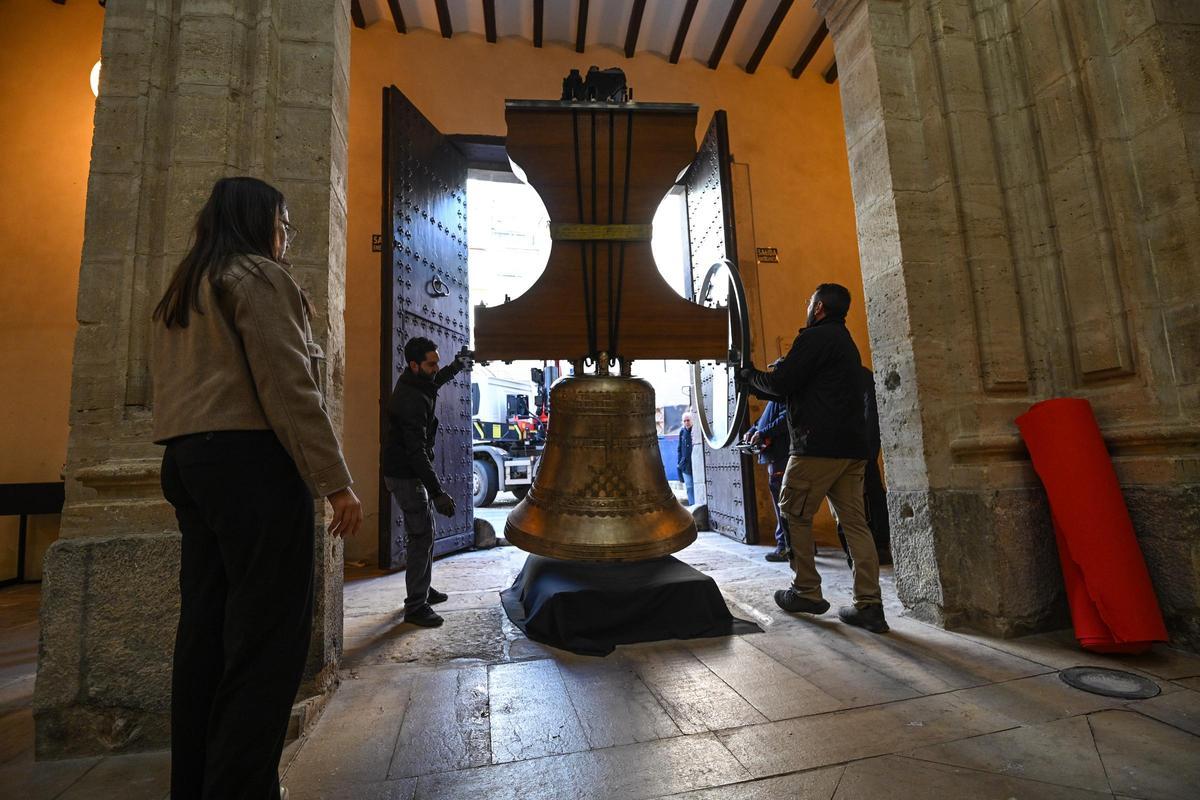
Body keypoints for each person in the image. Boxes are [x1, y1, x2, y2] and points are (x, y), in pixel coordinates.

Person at [151, 176, 363, 800]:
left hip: (188, 464)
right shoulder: (257, 277)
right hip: (251, 466)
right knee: (267, 642)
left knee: (206, 636)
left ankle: (195, 784)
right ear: (256, 221)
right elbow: (288, 387)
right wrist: (336, 483)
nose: (286, 235)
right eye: (284, 222)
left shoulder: (184, 287)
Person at [737, 283, 889, 634]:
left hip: (817, 447)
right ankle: (869, 604)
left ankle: (806, 590)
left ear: (818, 307)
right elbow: (797, 384)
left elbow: (783, 383)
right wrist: (761, 379)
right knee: (855, 523)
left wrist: (750, 377)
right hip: (852, 450)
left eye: (809, 302)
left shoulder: (815, 338)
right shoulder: (844, 343)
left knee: (793, 513)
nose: (807, 307)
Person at [382, 336, 471, 628]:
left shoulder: (418, 382)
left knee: (425, 532)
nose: (436, 368)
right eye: (431, 364)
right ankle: (416, 605)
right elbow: (415, 451)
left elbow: (436, 381)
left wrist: (456, 367)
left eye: (436, 363)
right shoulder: (410, 398)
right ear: (414, 365)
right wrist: (437, 492)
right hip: (405, 474)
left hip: (408, 471)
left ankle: (423, 588)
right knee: (421, 535)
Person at [835, 367, 892, 567]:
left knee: (869, 493)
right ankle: (873, 546)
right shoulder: (847, 375)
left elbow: (871, 412)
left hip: (860, 446)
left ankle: (880, 544)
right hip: (856, 445)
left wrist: (866, 446)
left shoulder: (859, 376)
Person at [745, 399, 791, 562]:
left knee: (784, 503)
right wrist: (754, 429)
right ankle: (795, 544)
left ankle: (785, 546)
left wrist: (762, 433)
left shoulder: (785, 393)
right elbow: (766, 419)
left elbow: (786, 418)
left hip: (782, 455)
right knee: (784, 501)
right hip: (776, 456)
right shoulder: (776, 396)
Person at [677, 411, 695, 505]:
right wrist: (679, 464)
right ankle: (693, 506)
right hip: (685, 465)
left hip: (695, 464)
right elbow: (679, 449)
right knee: (689, 487)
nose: (686, 422)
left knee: (696, 486)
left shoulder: (695, 431)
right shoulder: (682, 432)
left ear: (692, 420)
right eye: (684, 421)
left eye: (688, 420)